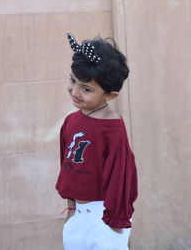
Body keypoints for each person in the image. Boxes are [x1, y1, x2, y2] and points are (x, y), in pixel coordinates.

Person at [55, 33, 138, 250]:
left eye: (86, 88)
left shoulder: (112, 128)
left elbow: (121, 176)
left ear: (109, 96)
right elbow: (67, 167)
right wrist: (71, 210)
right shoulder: (71, 121)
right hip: (78, 218)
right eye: (73, 81)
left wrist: (116, 222)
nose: (75, 91)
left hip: (104, 219)